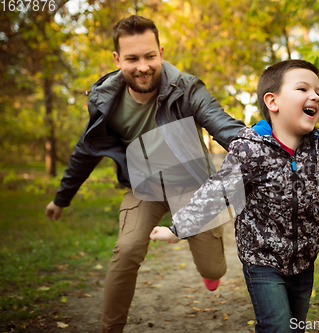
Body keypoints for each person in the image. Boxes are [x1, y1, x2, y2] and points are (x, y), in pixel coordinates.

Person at [44, 15, 245, 333]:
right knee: (126, 249)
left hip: (192, 187)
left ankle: (210, 269)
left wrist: (267, 151)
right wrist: (61, 199)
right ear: (117, 59)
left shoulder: (186, 88)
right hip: (144, 186)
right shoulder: (105, 101)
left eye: (150, 56)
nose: (142, 66)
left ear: (161, 53)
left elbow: (223, 124)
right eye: (132, 58)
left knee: (213, 267)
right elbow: (85, 151)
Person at [150, 59, 319, 332]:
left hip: (303, 259)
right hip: (261, 259)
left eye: (318, 92)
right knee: (277, 327)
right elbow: (217, 193)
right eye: (303, 89)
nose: (315, 96)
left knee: (295, 327)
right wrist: (178, 229)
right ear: (272, 102)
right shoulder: (250, 149)